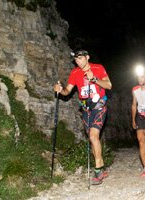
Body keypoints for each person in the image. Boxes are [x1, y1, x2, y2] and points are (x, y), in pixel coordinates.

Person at [54, 49, 112, 185]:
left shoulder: (98, 68)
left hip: (99, 106)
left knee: (93, 136)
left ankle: (97, 171)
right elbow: (67, 91)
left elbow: (109, 85)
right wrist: (60, 90)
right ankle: (101, 166)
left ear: (87, 57)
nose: (78, 62)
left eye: (80, 58)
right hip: (86, 109)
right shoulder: (75, 72)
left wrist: (94, 79)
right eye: (76, 60)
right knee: (92, 139)